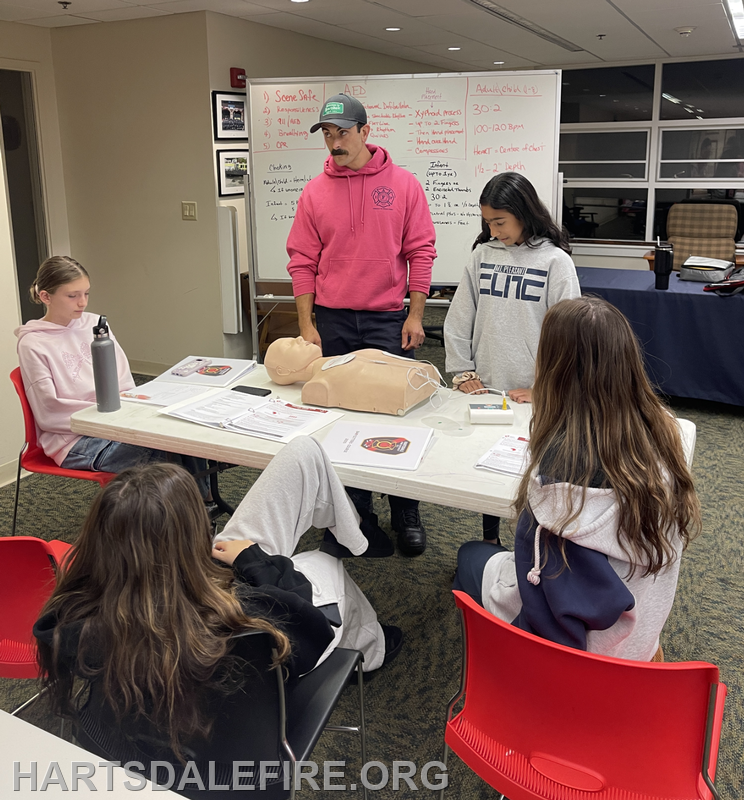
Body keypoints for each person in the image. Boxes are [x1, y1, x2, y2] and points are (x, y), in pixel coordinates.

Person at [35, 436, 401, 783]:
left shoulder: (77, 615)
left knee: (303, 454)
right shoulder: (244, 618)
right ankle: (373, 649)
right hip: (237, 773)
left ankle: (356, 542)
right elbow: (310, 623)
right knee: (323, 563)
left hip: (118, 746)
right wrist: (254, 561)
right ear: (194, 538)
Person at [453, 297, 701, 661]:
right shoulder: (665, 431)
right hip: (640, 638)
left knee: (470, 555)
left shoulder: (558, 471)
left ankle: (495, 660)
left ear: (554, 369)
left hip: (576, 659)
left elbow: (539, 595)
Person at [286, 93, 437, 556]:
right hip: (334, 319)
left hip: (388, 317)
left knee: (399, 415)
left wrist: (415, 314)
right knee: (340, 417)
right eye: (327, 134)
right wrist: (306, 323)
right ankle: (355, 515)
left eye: (342, 133)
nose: (334, 142)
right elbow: (302, 260)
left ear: (365, 132)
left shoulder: (405, 185)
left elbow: (421, 252)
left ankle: (405, 510)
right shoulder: (314, 191)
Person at [443, 172, 580, 544]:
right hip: (486, 387)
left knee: (532, 472)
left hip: (534, 392)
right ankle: (490, 542)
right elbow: (459, 317)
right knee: (487, 466)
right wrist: (460, 371)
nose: (494, 230)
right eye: (488, 222)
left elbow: (569, 336)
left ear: (524, 213)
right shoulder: (482, 255)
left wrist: (546, 388)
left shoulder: (555, 262)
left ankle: (534, 549)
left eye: (500, 222)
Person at [15, 256, 211, 499]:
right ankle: (197, 514)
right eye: (72, 296)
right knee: (166, 457)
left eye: (86, 293)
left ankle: (200, 513)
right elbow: (49, 413)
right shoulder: (33, 343)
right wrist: (107, 419)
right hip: (74, 440)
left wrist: (127, 414)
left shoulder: (95, 325)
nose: (82, 302)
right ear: (46, 297)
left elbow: (124, 381)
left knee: (185, 435)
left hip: (116, 422)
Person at [264, 336, 442, 416]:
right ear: (283, 371)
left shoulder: (342, 359)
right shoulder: (319, 384)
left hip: (420, 379)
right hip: (408, 392)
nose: (299, 338)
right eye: (289, 345)